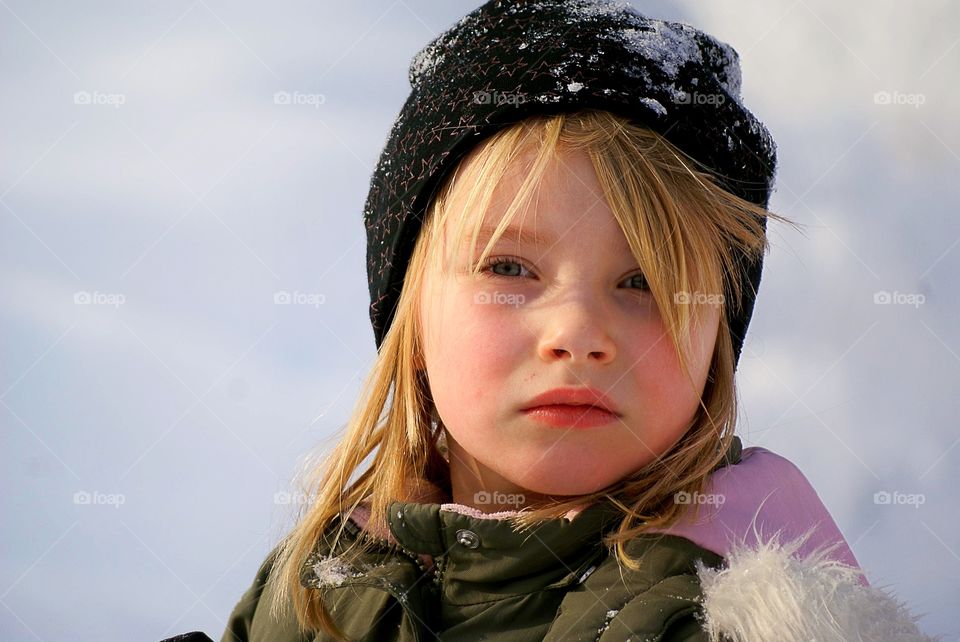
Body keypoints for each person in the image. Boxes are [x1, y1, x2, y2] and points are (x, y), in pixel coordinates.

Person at [210, 1, 938, 640]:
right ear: (413, 316)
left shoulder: (734, 616)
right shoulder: (323, 593)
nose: (579, 334)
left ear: (713, 336)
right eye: (510, 269)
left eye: (643, 281)